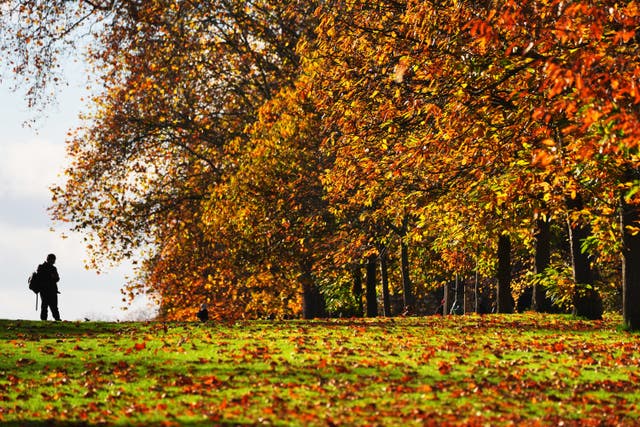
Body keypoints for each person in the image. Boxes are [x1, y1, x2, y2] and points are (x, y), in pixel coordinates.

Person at [37, 254, 61, 321]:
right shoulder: (51, 268)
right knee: (51, 307)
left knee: (46, 306)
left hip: (46, 290)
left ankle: (46, 320)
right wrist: (52, 277)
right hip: (48, 290)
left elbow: (57, 279)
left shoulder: (42, 267)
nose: (53, 261)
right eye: (53, 260)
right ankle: (56, 319)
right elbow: (57, 279)